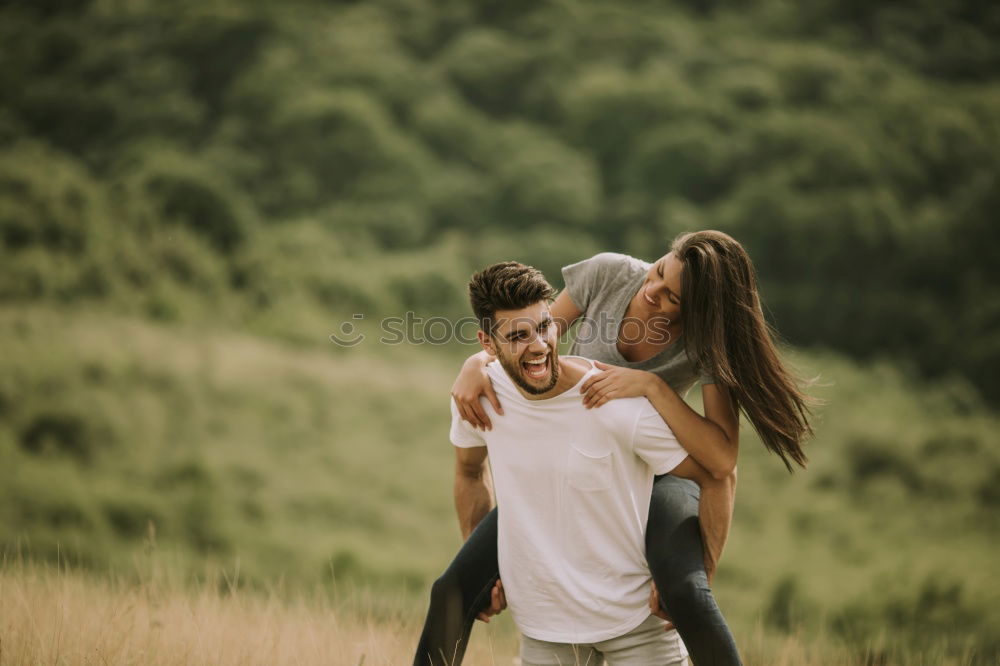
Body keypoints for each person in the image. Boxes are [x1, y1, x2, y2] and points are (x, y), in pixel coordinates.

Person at [415, 230, 814, 665]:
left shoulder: (706, 341)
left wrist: (653, 388)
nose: (652, 290)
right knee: (451, 592)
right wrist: (477, 362)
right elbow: (534, 336)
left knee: (685, 593)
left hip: (657, 466)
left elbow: (720, 460)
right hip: (579, 448)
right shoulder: (610, 275)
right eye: (660, 270)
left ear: (698, 311)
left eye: (672, 298)